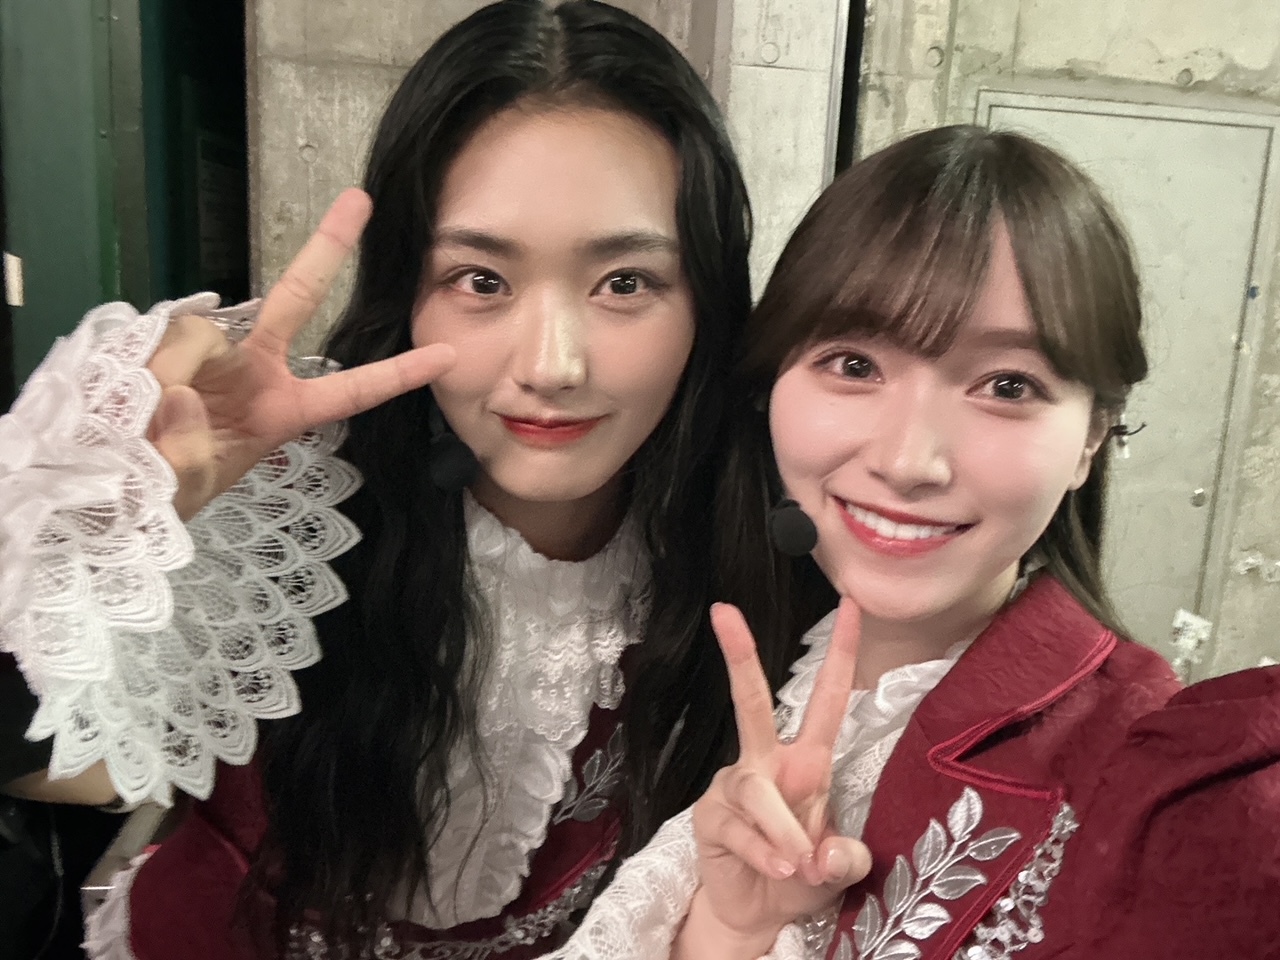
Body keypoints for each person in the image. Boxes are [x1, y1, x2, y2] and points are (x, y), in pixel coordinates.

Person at [1, 1, 838, 957]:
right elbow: (69, 772)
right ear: (408, 294)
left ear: (707, 302)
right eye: (481, 280)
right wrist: (88, 523)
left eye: (624, 283)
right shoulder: (283, 508)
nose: (554, 365)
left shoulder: (750, 547)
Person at [547, 125, 1280, 959]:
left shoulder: (1158, 796)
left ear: (1092, 437)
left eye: (1007, 385)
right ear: (770, 384)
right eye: (855, 365)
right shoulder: (703, 659)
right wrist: (730, 930)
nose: (907, 461)